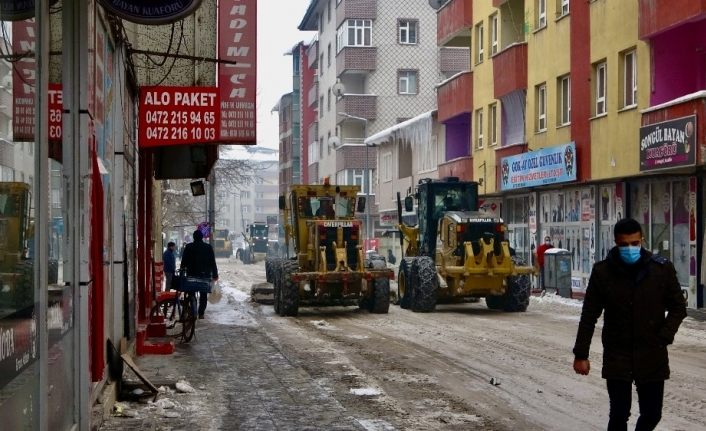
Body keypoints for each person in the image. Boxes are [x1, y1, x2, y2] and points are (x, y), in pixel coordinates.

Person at [572, 218, 686, 431]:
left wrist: (664, 336)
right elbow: (589, 316)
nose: (630, 249)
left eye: (634, 243)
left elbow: (679, 307)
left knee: (652, 414)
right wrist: (581, 355)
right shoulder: (602, 273)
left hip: (652, 353)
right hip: (618, 354)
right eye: (624, 245)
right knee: (619, 415)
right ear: (615, 242)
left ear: (642, 239)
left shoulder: (660, 270)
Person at [180, 230, 219, 319]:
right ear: (202, 237)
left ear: (193, 237)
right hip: (204, 276)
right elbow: (213, 262)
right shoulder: (208, 247)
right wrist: (215, 274)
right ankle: (201, 313)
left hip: (191, 275)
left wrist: (182, 270)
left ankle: (190, 309)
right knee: (203, 295)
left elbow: (183, 262)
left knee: (190, 293)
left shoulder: (189, 247)